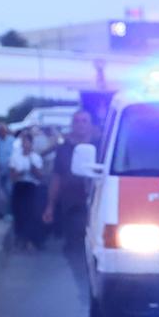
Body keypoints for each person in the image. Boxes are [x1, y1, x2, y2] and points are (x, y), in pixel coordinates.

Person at [43, 109, 101, 300]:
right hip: (72, 205)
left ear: (91, 125)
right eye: (77, 121)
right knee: (74, 250)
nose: (81, 124)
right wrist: (50, 206)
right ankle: (83, 287)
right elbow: (57, 178)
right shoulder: (64, 149)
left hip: (98, 205)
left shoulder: (102, 147)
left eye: (85, 120)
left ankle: (99, 287)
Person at [9, 127, 50, 249]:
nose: (25, 144)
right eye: (23, 141)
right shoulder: (15, 157)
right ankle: (20, 238)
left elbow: (40, 176)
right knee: (19, 213)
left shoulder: (35, 157)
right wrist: (20, 172)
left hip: (32, 187)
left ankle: (31, 240)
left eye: (27, 142)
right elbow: (12, 175)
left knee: (31, 214)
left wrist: (32, 168)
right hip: (20, 186)